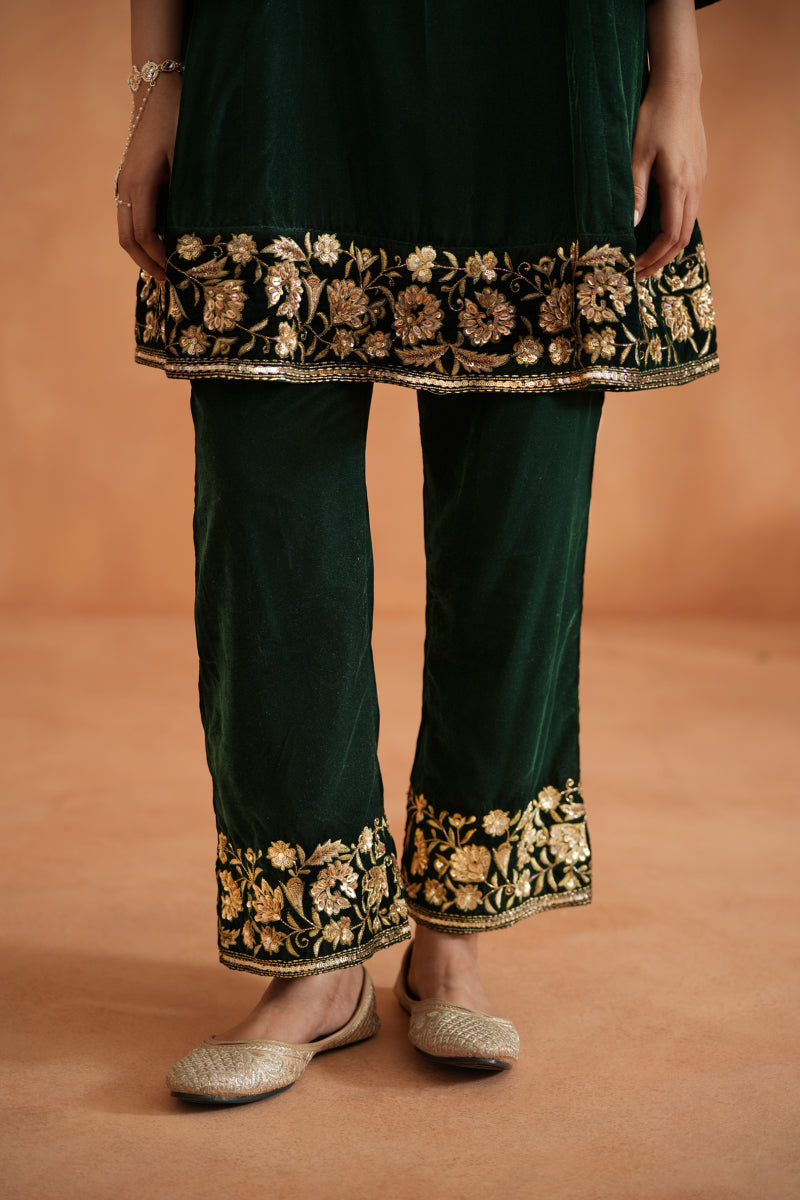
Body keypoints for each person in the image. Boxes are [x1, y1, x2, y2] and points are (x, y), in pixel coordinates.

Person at [117, 0, 720, 1104]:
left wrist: (674, 79)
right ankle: (317, 960)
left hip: (538, 53)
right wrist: (159, 79)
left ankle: (453, 934)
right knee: (269, 526)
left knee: (517, 521)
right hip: (282, 47)